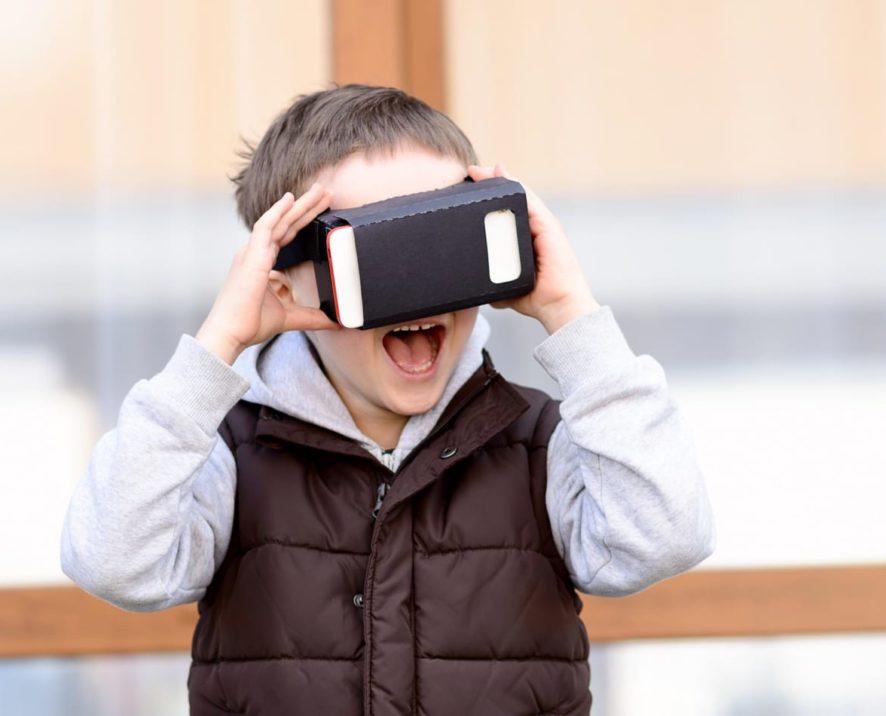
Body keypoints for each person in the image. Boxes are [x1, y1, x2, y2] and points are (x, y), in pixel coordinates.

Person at [61, 84, 715, 716]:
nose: (418, 287)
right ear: (286, 282)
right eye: (378, 253)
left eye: (443, 240)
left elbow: (666, 539)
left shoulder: (538, 443)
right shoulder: (230, 452)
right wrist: (214, 350)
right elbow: (114, 562)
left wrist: (572, 314)